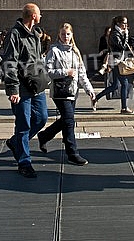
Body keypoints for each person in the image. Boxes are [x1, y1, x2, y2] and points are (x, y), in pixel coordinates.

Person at [38, 23, 96, 165]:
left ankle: (44, 135)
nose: (65, 37)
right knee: (69, 121)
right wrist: (66, 72)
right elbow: (47, 71)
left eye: (68, 34)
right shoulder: (54, 50)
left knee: (66, 119)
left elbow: (82, 74)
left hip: (72, 91)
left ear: (72, 35)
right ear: (59, 35)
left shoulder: (75, 52)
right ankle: (72, 153)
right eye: (63, 34)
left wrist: (90, 90)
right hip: (59, 91)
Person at [2, 3, 49, 178]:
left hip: (36, 84)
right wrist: (13, 89)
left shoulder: (36, 34)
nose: (41, 16)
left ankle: (15, 143)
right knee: (23, 124)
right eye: (40, 14)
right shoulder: (14, 35)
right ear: (33, 16)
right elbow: (9, 63)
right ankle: (24, 161)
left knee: (41, 118)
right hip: (21, 86)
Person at [92, 15, 134, 115]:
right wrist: (126, 35)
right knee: (124, 83)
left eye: (126, 24)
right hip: (116, 62)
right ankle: (124, 108)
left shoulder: (118, 33)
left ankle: (95, 98)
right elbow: (122, 46)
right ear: (118, 24)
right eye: (124, 23)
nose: (126, 26)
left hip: (117, 60)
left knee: (114, 86)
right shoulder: (115, 34)